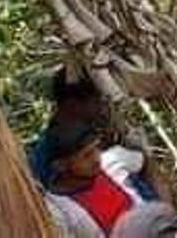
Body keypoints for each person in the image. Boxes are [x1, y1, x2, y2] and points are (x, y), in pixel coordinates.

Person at [30, 69, 164, 202]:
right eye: (96, 100)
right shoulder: (43, 160)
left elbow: (144, 164)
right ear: (73, 104)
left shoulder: (100, 130)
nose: (101, 106)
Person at [44, 120, 154, 238]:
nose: (96, 159)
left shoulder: (109, 161)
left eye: (96, 148)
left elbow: (147, 162)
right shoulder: (57, 209)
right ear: (61, 165)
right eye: (86, 155)